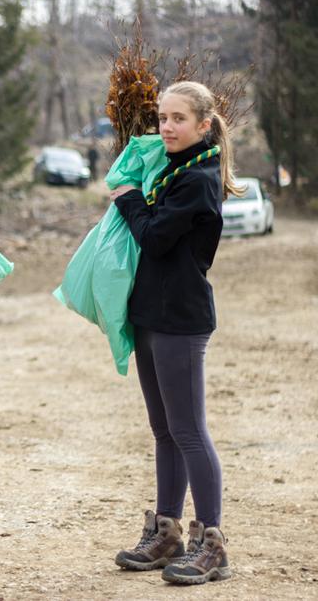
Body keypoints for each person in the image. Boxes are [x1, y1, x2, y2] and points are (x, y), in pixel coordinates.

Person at [108, 81, 238, 585]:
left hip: (181, 317)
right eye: (162, 117)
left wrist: (129, 200)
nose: (166, 126)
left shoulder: (200, 179)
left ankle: (213, 543)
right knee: (163, 430)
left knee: (188, 430)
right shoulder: (172, 166)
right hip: (150, 312)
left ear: (204, 125)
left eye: (178, 118)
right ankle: (168, 532)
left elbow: (157, 238)